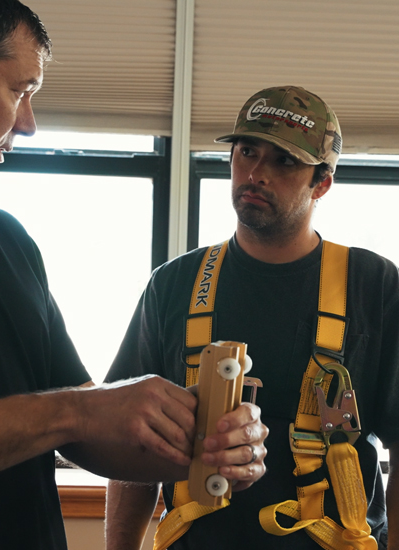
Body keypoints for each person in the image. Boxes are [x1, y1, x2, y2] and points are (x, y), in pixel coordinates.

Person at [0, 1, 269, 548]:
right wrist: (71, 412)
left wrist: (192, 437)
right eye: (20, 91)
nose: (28, 123)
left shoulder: (7, 238)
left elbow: (84, 428)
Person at [105, 85, 399, 549]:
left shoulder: (373, 285)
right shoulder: (175, 285)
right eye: (246, 151)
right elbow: (131, 440)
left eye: (284, 161)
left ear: (321, 182)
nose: (256, 173)